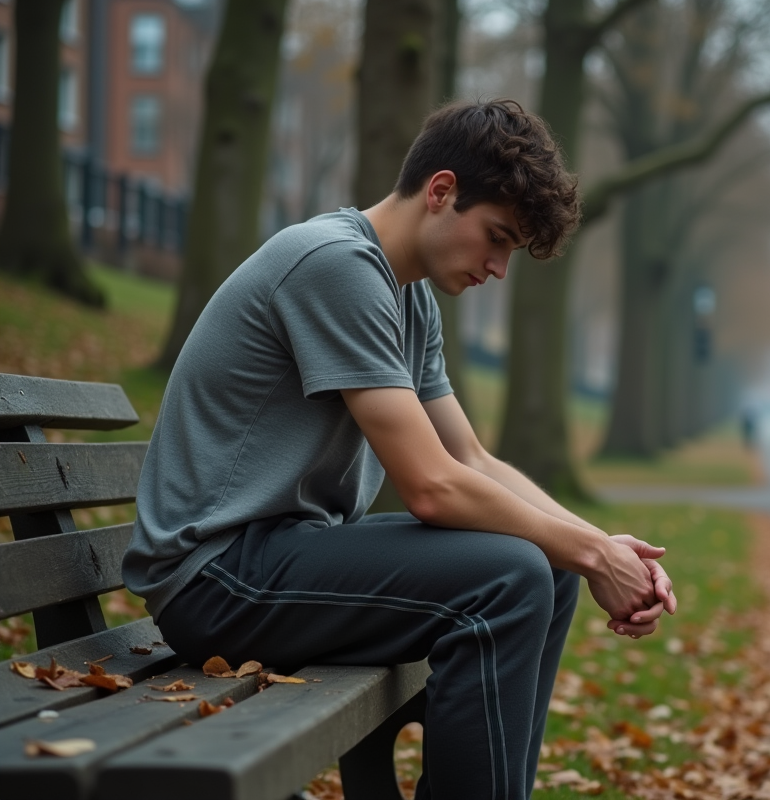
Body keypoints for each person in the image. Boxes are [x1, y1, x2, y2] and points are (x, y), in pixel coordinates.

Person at [122, 99, 677, 800]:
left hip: (277, 558)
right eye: (496, 238)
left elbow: (472, 460)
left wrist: (595, 546)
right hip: (217, 579)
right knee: (508, 579)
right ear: (441, 192)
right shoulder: (334, 265)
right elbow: (432, 488)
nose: (500, 268)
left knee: (547, 565)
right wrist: (593, 553)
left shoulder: (407, 296)